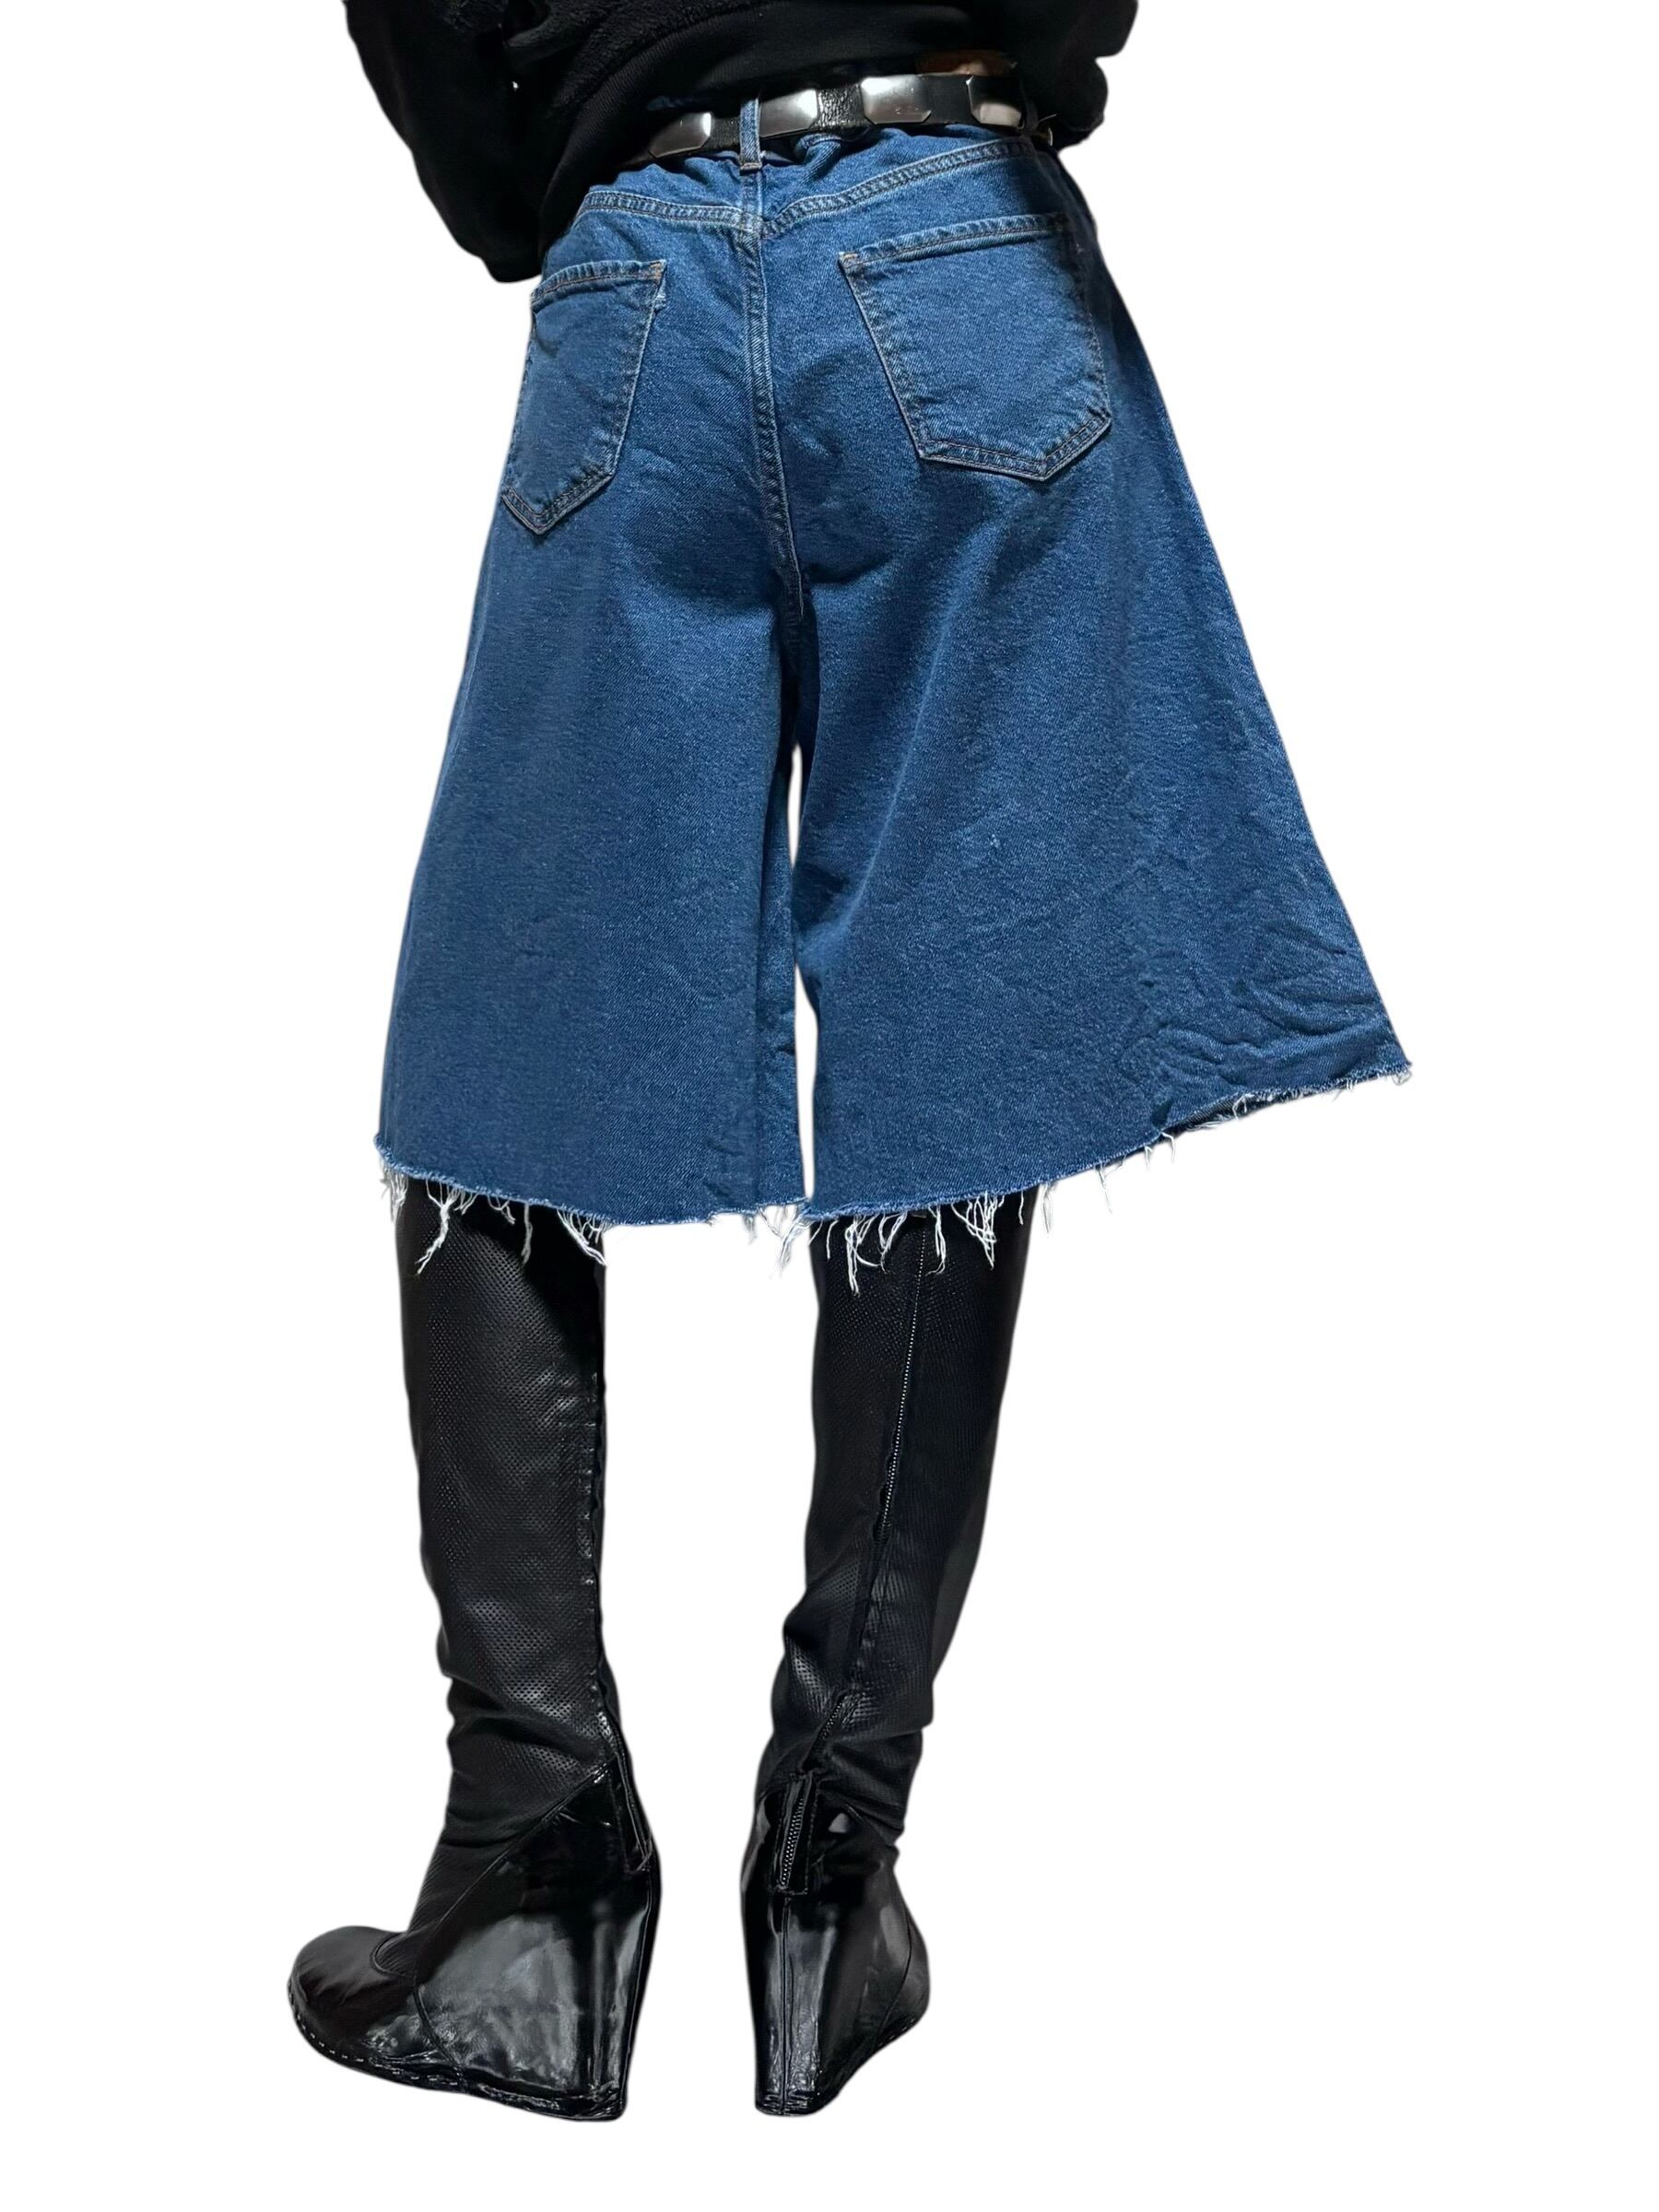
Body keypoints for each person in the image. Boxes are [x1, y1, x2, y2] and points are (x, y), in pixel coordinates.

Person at [289, 0, 1407, 2120]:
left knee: (499, 1073)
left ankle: (532, 1877)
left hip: (638, 288)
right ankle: (831, 1867)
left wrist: (551, 174)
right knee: (950, 1056)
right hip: (957, 247)